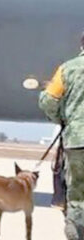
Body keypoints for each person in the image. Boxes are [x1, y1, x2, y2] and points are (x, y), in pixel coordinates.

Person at [39, 33, 84, 240]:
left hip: (77, 142)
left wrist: (62, 119)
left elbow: (48, 100)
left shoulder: (67, 69)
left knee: (78, 196)